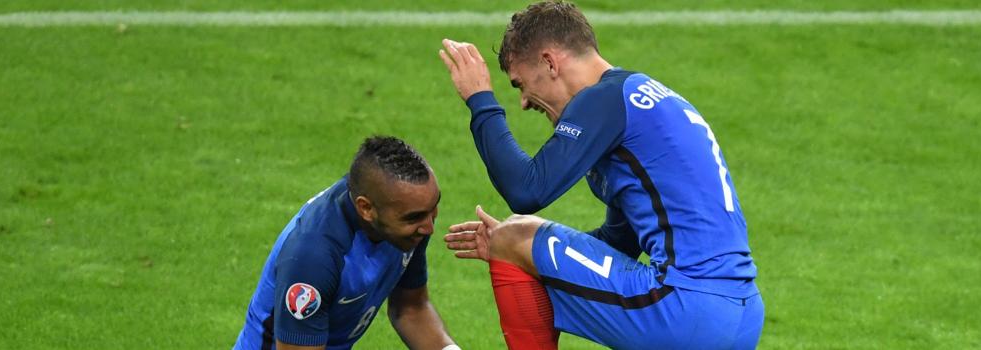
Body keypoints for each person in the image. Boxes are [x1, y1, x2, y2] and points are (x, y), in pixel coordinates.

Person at [438, 1, 764, 349]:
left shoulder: (604, 100)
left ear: (549, 62)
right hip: (741, 313)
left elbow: (525, 191)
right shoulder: (642, 98)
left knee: (514, 234)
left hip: (683, 306)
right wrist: (538, 260)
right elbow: (620, 241)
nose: (524, 102)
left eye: (520, 84)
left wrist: (480, 99)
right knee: (516, 242)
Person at [233, 136, 459, 350]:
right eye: (415, 217)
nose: (429, 227)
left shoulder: (404, 215)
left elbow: (410, 309)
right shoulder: (313, 258)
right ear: (366, 208)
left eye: (433, 208)